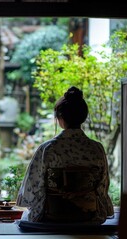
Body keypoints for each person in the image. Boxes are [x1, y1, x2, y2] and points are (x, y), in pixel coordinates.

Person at [16, 86, 113, 223]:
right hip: (89, 218)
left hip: (52, 218)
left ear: (60, 117)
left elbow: (31, 189)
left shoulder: (48, 148)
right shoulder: (96, 148)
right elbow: (102, 187)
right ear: (83, 117)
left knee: (24, 219)